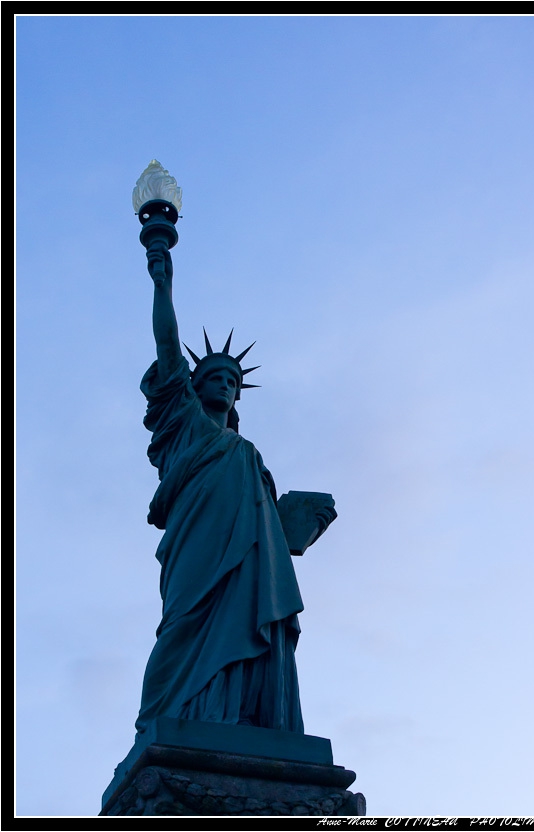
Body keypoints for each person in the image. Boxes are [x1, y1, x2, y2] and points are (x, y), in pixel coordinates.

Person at [134, 241, 305, 735]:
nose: (225, 384)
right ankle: (161, 722)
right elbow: (169, 346)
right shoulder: (184, 424)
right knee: (182, 625)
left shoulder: (247, 455)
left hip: (247, 559)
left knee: (245, 618)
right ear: (195, 386)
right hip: (196, 547)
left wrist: (298, 523)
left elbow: (269, 528)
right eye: (214, 377)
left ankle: (236, 714)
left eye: (232, 380)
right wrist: (162, 281)